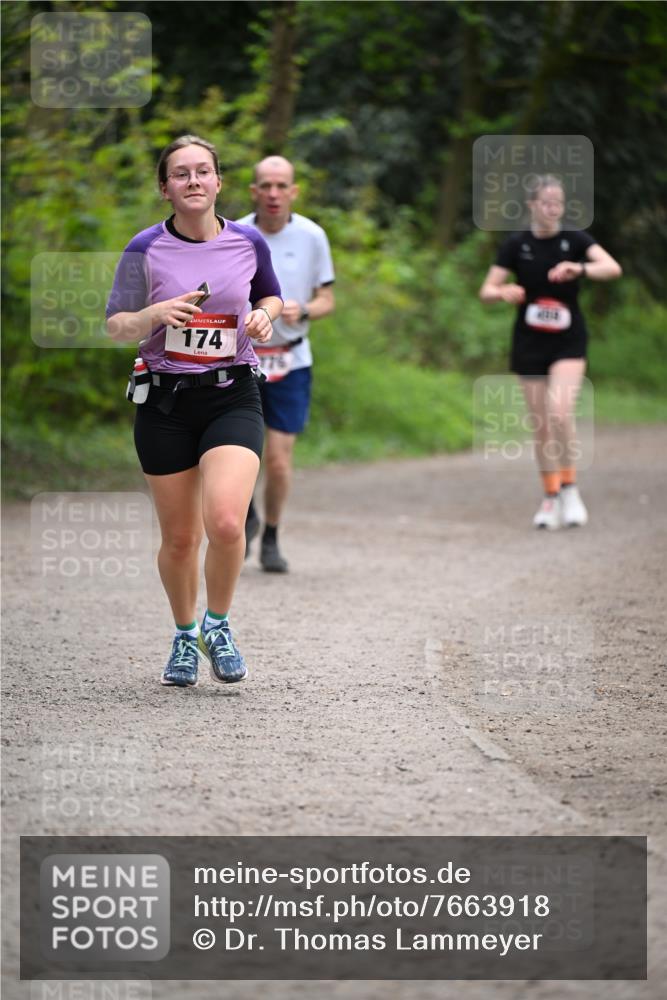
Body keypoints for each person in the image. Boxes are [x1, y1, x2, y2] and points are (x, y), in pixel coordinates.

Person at [106, 135, 282, 687]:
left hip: (232, 394)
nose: (194, 181)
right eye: (181, 174)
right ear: (165, 188)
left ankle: (217, 626)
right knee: (181, 538)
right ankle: (184, 635)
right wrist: (154, 313)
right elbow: (116, 325)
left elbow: (270, 294)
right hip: (165, 402)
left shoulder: (248, 241)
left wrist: (265, 315)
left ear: (219, 182)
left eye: (203, 171)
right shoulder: (145, 248)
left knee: (226, 521)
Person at [479, 174, 622, 529]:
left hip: (568, 341)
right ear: (531, 205)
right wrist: (503, 292)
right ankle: (550, 496)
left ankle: (570, 488)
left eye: (558, 203)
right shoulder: (516, 244)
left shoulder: (575, 239)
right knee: (541, 424)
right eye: (546, 203)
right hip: (529, 343)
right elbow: (487, 290)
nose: (553, 209)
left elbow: (612, 268)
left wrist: (580, 268)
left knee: (560, 413)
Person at [237, 155, 335, 572]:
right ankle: (246, 518)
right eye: (266, 186)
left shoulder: (312, 236)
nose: (274, 194)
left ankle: (271, 536)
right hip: (241, 359)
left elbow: (327, 299)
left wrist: (306, 309)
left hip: (291, 360)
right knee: (239, 455)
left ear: (293, 191)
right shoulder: (235, 233)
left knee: (277, 460)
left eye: (282, 186)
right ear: (254, 191)